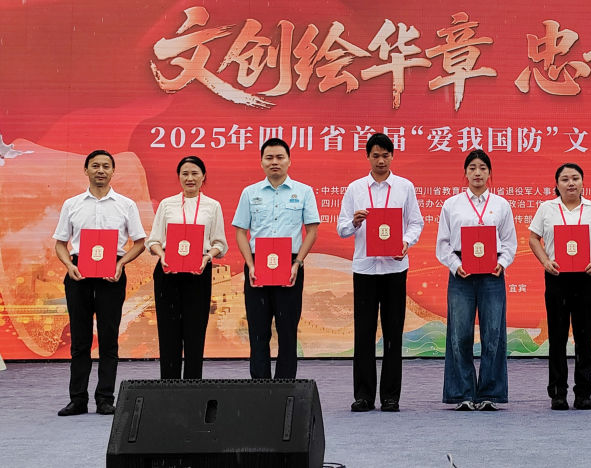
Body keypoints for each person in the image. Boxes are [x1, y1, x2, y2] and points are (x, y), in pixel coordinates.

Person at [52, 149, 146, 416]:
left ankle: (105, 398)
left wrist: (120, 264)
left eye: (106, 166)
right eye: (95, 166)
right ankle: (77, 399)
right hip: (78, 274)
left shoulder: (126, 204)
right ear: (86, 170)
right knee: (80, 340)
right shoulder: (72, 204)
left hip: (111, 275)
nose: (101, 170)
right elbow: (60, 243)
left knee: (108, 338)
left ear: (113, 171)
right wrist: (69, 266)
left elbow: (139, 242)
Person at [338, 132, 424, 412]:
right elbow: (341, 228)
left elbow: (416, 222)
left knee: (393, 334)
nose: (381, 160)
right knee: (363, 334)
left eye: (386, 155)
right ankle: (363, 395)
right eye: (375, 155)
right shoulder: (355, 189)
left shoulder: (405, 187)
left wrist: (406, 242)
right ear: (367, 157)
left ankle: (390, 396)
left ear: (392, 156)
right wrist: (354, 222)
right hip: (364, 269)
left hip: (394, 268)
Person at [436, 150, 517, 411]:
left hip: (492, 273)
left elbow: (509, 241)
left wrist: (502, 263)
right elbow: (443, 243)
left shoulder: (501, 204)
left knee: (493, 333)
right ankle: (462, 393)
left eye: (483, 167)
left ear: (490, 173)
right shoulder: (452, 205)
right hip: (462, 272)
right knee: (459, 334)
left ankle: (490, 394)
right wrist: (455, 265)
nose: (478, 173)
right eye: (472, 168)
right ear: (465, 173)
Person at [232, 138, 319, 379]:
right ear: (261, 162)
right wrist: (250, 264)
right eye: (269, 157)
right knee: (258, 330)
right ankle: (260, 386)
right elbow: (240, 231)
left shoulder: (304, 191)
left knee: (287, 330)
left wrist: (297, 263)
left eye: (280, 157)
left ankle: (285, 386)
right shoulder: (250, 193)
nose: (274, 162)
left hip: (290, 265)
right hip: (257, 265)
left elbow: (312, 231)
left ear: (289, 161)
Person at [528, 163, 591, 410]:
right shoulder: (546, 208)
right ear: (557, 184)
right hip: (557, 277)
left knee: (584, 337)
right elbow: (533, 238)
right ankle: (558, 392)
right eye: (565, 179)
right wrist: (545, 261)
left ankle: (584, 392)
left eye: (575, 178)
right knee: (557, 337)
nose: (571, 183)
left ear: (583, 182)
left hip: (586, 278)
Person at [146, 156, 228, 379]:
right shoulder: (167, 204)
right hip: (168, 271)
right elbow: (153, 241)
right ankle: (168, 385)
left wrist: (207, 257)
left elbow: (219, 243)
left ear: (203, 176)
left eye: (194, 173)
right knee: (168, 331)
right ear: (179, 177)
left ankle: (193, 386)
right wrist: (162, 255)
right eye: (185, 173)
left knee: (195, 331)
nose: (190, 178)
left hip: (198, 271)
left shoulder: (213, 206)